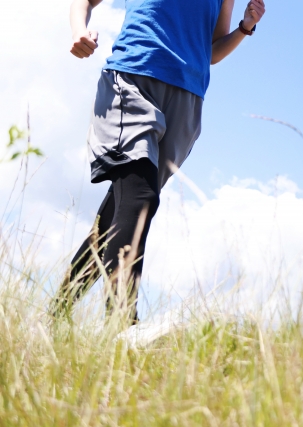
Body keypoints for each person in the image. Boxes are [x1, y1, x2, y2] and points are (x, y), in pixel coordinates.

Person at [50, 0, 266, 325]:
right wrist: (79, 31)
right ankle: (122, 327)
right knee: (139, 198)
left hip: (187, 99)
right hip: (133, 78)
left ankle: (54, 313)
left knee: (117, 216)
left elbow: (211, 52)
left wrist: (244, 27)